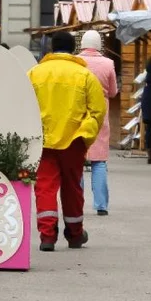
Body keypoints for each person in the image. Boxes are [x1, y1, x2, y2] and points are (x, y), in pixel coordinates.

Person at [28, 31, 107, 252]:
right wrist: (86, 135)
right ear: (74, 49)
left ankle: (47, 236)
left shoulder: (34, 73)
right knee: (73, 188)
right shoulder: (84, 75)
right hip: (74, 140)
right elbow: (97, 111)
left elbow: (23, 105)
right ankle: (74, 235)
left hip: (42, 140)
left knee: (44, 187)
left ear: (51, 48)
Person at [78, 31, 118, 216]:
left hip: (78, 113)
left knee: (76, 161)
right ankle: (101, 205)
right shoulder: (108, 63)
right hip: (100, 114)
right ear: (99, 45)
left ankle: (76, 202)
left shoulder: (76, 62)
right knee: (99, 161)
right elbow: (112, 92)